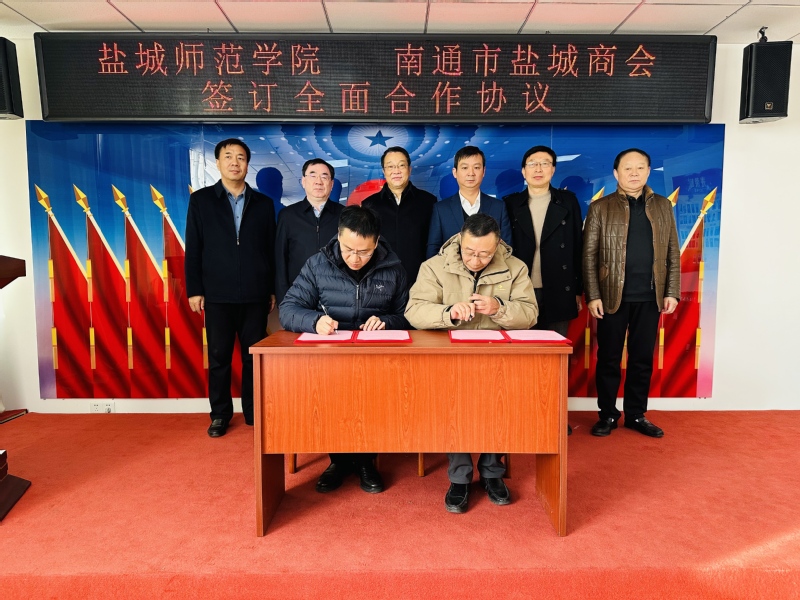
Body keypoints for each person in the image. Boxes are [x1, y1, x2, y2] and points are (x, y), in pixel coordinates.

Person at [406, 214, 538, 513]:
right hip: (450, 358)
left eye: (484, 254)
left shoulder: (515, 268)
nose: (476, 260)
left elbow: (530, 314)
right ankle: (460, 477)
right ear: (460, 241)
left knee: (499, 407)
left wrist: (499, 308)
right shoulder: (434, 267)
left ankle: (492, 472)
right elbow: (414, 311)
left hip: (498, 359)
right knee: (454, 409)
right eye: (469, 252)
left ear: (497, 246)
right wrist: (449, 313)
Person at [279, 206, 409, 494]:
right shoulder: (317, 265)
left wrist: (386, 322)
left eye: (364, 252)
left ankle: (365, 462)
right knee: (329, 398)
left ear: (376, 242)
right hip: (331, 358)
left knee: (373, 400)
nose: (355, 258)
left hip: (375, 359)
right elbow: (288, 309)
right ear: (338, 237)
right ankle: (337, 461)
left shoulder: (393, 268)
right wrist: (314, 321)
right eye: (348, 249)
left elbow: (407, 316)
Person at [583, 148, 680, 439]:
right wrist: (593, 294)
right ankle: (607, 415)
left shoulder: (663, 206)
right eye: (628, 168)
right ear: (616, 173)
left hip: (650, 296)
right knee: (609, 359)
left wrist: (671, 291)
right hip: (612, 296)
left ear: (648, 171)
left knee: (641, 359)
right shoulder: (601, 207)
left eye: (640, 168)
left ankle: (636, 414)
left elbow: (672, 251)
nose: (634, 173)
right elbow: (588, 255)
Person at [185, 139, 276, 438]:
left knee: (253, 357)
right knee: (219, 358)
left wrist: (271, 289)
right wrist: (195, 289)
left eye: (240, 157)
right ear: (218, 163)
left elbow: (270, 250)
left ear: (248, 164)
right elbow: (193, 248)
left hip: (255, 294)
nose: (235, 162)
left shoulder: (263, 204)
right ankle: (220, 415)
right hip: (217, 294)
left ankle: (253, 411)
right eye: (228, 157)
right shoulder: (201, 201)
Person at [362, 146, 437, 282]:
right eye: (390, 166)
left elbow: (433, 244)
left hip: (420, 280)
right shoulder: (369, 204)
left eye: (401, 165)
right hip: (380, 279)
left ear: (409, 169)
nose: (396, 171)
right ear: (384, 171)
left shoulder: (428, 202)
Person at [274, 158, 344, 303]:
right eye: (313, 175)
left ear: (331, 184)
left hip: (337, 296)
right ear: (303, 181)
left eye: (324, 176)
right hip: (298, 294)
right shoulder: (288, 215)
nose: (318, 181)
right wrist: (283, 298)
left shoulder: (345, 215)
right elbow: (280, 259)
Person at [426, 146, 512, 259]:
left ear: (483, 171)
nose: (471, 173)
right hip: (450, 270)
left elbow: (506, 249)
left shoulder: (498, 207)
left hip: (491, 270)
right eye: (465, 167)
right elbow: (433, 249)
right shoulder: (441, 209)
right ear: (455, 172)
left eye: (476, 167)